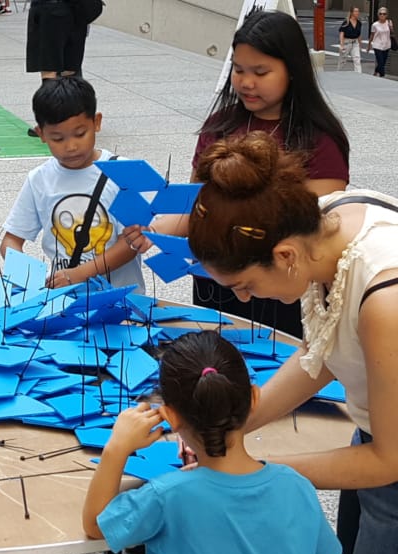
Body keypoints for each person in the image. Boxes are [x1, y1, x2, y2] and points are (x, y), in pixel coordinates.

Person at [185, 131, 398, 554]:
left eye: (246, 286)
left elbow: (387, 460)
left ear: (283, 256)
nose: (242, 298)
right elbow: (323, 352)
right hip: (378, 435)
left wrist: (253, 471)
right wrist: (233, 427)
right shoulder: (319, 227)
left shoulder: (385, 298)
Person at [83, 330, 342, 554]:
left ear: (171, 417)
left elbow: (95, 525)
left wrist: (117, 447)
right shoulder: (295, 484)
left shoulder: (167, 496)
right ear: (253, 398)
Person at [123, 10, 349, 339]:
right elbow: (198, 205)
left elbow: (319, 222)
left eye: (260, 71)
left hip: (280, 287)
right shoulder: (220, 126)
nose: (246, 82)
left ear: (293, 71)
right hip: (216, 279)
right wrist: (153, 229)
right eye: (238, 69)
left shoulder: (319, 139)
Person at [0, 77, 144, 292]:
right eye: (57, 139)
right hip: (65, 301)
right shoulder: (39, 179)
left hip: (120, 302)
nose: (71, 146)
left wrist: (79, 274)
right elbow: (10, 241)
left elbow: (131, 243)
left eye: (80, 134)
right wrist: (33, 279)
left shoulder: (121, 173)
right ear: (41, 134)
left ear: (96, 122)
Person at [369, 6, 393, 78]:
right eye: (380, 13)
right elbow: (372, 35)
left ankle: (376, 71)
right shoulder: (374, 25)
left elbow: (392, 32)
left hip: (387, 45)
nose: (382, 15)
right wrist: (369, 45)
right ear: (378, 14)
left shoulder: (389, 22)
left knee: (383, 62)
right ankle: (382, 76)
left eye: (384, 14)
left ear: (387, 15)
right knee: (381, 62)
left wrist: (391, 28)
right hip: (377, 45)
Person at [338, 6, 362, 72]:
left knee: (357, 60)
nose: (357, 13)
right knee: (342, 61)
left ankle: (359, 76)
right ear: (351, 13)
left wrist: (360, 45)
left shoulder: (359, 23)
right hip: (346, 42)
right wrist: (341, 45)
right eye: (356, 11)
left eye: (358, 11)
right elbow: (341, 33)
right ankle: (338, 73)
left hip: (355, 43)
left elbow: (359, 35)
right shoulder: (346, 22)